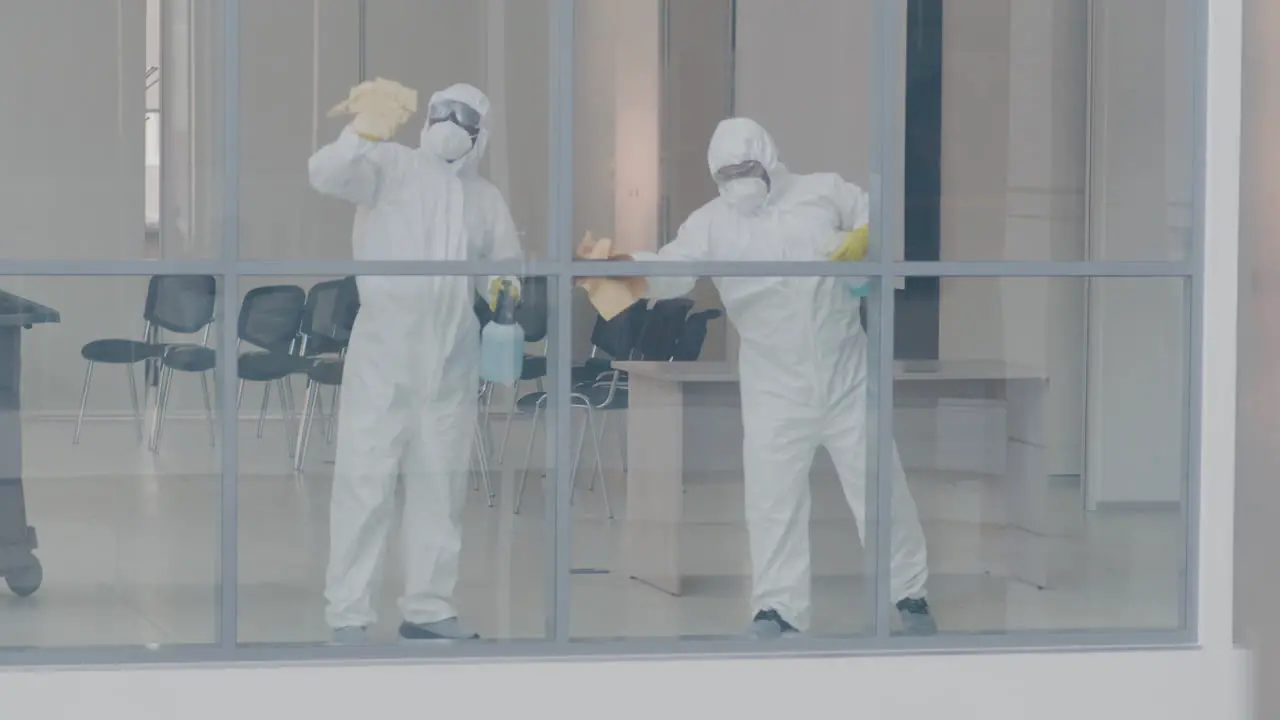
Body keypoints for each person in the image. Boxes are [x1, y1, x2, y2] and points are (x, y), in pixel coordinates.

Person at [593, 117, 935, 638]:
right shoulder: (712, 223)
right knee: (773, 499)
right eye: (727, 173)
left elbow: (875, 215)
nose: (739, 179)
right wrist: (614, 273)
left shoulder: (823, 193)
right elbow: (670, 270)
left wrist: (867, 238)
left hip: (847, 371)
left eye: (747, 168)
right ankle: (778, 608)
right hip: (774, 383)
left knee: (881, 487)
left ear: (769, 158)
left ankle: (910, 594)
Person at [309, 82, 522, 644]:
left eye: (464, 117)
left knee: (440, 488)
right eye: (441, 112)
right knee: (365, 481)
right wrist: (361, 133)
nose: (449, 123)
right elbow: (325, 175)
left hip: (451, 358)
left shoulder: (485, 199)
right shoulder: (389, 165)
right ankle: (349, 613)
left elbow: (503, 264)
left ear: (482, 134)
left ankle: (429, 608)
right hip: (386, 353)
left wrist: (505, 296)